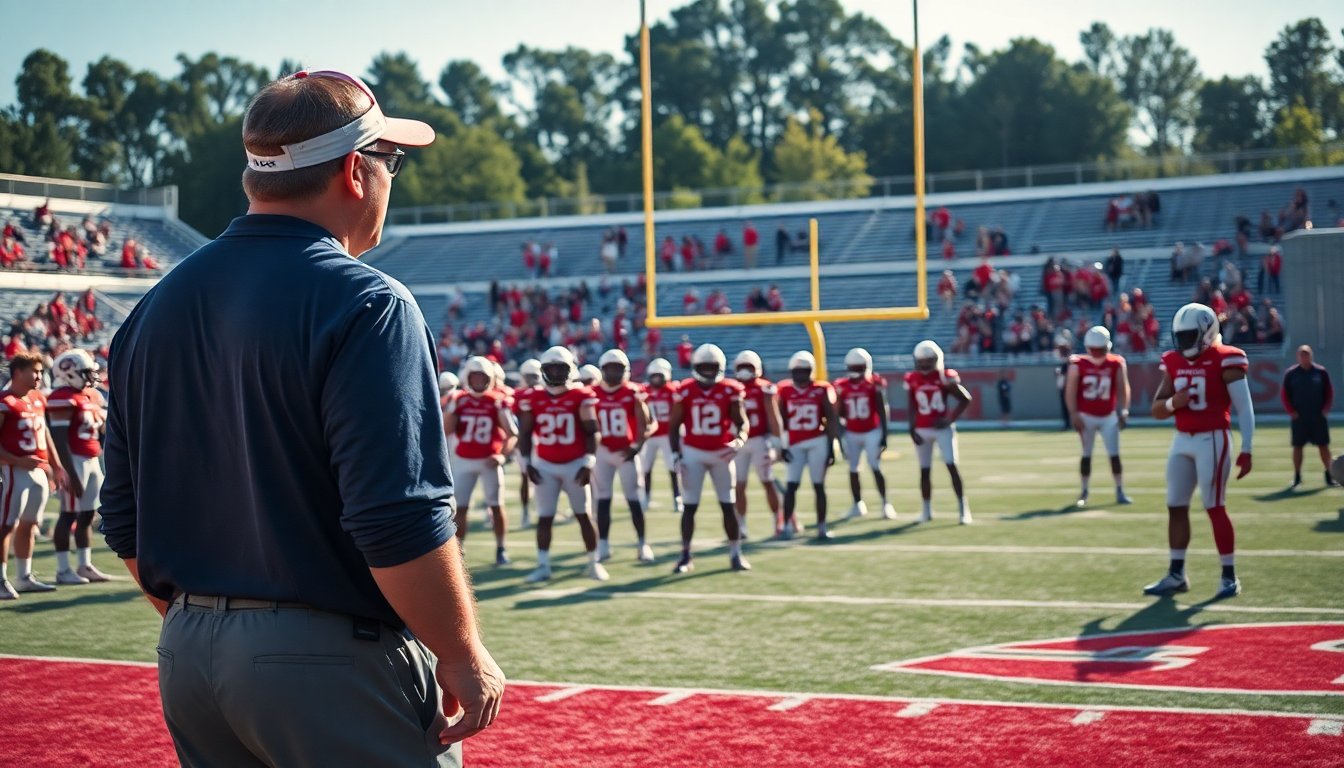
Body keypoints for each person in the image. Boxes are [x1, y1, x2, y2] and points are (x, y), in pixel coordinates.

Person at [98, 69, 502, 765]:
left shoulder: (152, 308)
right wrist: (462, 652)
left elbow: (124, 515)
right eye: (390, 161)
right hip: (328, 656)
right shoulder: (368, 302)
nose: (391, 178)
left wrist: (215, 621)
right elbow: (396, 517)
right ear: (354, 169)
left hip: (189, 652)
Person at [1146, 304, 1254, 601]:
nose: (1183, 343)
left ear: (1207, 332)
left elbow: (1244, 407)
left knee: (1214, 505)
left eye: (1189, 336)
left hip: (1213, 439)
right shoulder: (1173, 361)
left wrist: (1247, 447)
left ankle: (1229, 576)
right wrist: (1173, 404)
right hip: (1182, 440)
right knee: (1175, 505)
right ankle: (1176, 574)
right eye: (1180, 337)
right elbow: (1157, 409)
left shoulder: (1227, 358)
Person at [517, 346, 606, 583]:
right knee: (545, 517)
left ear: (570, 369)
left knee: (583, 516)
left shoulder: (581, 395)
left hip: (575, 464)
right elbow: (524, 434)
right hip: (545, 464)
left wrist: (588, 462)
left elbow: (592, 431)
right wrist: (527, 462)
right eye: (551, 368)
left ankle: (593, 562)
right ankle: (543, 565)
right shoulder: (532, 397)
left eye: (560, 368)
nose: (556, 372)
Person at [667, 344, 750, 573]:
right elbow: (673, 427)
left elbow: (742, 422)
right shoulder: (685, 390)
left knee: (728, 505)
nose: (709, 371)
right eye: (704, 366)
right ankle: (685, 555)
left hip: (722, 453)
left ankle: (735, 553)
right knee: (690, 507)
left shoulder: (731, 389)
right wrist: (676, 455)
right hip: (693, 452)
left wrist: (739, 440)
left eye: (712, 367)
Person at [0, 353, 71, 598]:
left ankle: (24, 576)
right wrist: (17, 460)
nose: (40, 376)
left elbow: (45, 435)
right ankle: (1, 579)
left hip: (38, 469)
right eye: (35, 371)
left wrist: (57, 464)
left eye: (41, 372)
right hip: (14, 469)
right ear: (18, 372)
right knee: (6, 525)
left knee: (29, 525)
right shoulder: (5, 400)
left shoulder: (38, 398)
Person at [443, 357, 517, 566]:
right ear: (467, 377)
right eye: (475, 376)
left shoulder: (496, 400)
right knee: (461, 508)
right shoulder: (459, 399)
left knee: (496, 505)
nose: (479, 381)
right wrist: (452, 410)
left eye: (483, 377)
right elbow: (446, 430)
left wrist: (502, 455)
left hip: (488, 461)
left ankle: (501, 548)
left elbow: (512, 434)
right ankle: (459, 550)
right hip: (464, 460)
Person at [46, 349, 112, 584]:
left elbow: (103, 430)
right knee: (69, 513)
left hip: (92, 457)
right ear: (69, 372)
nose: (91, 377)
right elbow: (58, 439)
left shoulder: (92, 396)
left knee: (87, 513)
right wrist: (70, 473)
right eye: (86, 372)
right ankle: (63, 570)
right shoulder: (61, 397)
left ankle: (84, 565)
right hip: (73, 458)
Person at [592, 349, 654, 562]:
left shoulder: (633, 392)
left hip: (626, 451)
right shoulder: (591, 393)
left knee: (633, 500)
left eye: (617, 368)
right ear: (602, 369)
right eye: (609, 368)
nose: (613, 373)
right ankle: (603, 544)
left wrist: (636, 446)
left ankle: (642, 543)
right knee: (603, 500)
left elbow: (646, 423)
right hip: (603, 452)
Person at [1064, 327, 1133, 507]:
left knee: (1114, 454)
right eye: (1095, 350)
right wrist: (1073, 413)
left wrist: (1124, 410)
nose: (1097, 354)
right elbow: (1070, 391)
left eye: (1100, 350)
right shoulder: (1077, 364)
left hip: (1108, 415)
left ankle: (1119, 490)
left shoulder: (1116, 363)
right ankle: (1084, 491)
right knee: (1086, 455)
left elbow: (1123, 387)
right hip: (1086, 416)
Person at [905, 341, 972, 525]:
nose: (925, 365)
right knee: (924, 471)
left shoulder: (944, 377)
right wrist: (911, 428)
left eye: (928, 361)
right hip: (922, 428)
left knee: (951, 466)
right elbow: (911, 404)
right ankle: (926, 510)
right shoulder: (912, 378)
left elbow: (965, 399)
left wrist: (949, 419)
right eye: (922, 361)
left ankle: (963, 509)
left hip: (941, 429)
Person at [777, 350, 840, 540]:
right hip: (794, 442)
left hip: (817, 441)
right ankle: (787, 525)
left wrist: (831, 446)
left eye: (804, 370)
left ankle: (821, 526)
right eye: (797, 371)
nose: (801, 375)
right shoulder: (785, 390)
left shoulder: (821, 389)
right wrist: (783, 445)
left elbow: (830, 418)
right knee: (791, 486)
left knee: (819, 486)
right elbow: (781, 421)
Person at [834, 348, 895, 521]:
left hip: (871, 430)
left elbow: (882, 409)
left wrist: (884, 434)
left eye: (859, 367)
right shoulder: (841, 386)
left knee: (875, 467)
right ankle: (857, 504)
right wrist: (840, 434)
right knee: (853, 469)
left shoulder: (873, 383)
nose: (857, 370)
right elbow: (839, 412)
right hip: (852, 432)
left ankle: (885, 504)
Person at [732, 350, 784, 538]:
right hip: (739, 442)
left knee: (767, 482)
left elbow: (773, 416)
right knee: (738, 485)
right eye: (742, 367)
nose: (745, 371)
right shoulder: (731, 388)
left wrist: (778, 442)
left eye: (749, 367)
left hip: (760, 440)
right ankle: (741, 525)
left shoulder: (764, 388)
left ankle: (777, 521)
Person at [1281, 345, 1336, 488]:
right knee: (1298, 447)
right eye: (1302, 355)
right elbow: (1285, 395)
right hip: (1299, 417)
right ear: (1298, 357)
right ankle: (1297, 476)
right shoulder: (1291, 374)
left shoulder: (1321, 372)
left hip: (1318, 416)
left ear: (1311, 355)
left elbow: (1329, 392)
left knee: (1323, 446)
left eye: (1307, 354)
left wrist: (1325, 409)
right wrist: (1291, 411)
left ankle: (1330, 475)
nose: (1305, 357)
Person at [639, 357, 683, 514]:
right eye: (655, 375)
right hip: (649, 436)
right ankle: (646, 497)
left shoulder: (672, 391)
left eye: (660, 375)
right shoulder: (644, 391)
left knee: (673, 468)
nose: (657, 378)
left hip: (666, 435)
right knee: (645, 468)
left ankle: (677, 498)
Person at [513, 358, 543, 526]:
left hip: (543, 440)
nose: (532, 380)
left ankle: (540, 509)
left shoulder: (544, 392)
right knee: (525, 476)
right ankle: (525, 511)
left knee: (543, 477)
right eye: (529, 376)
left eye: (534, 376)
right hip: (526, 440)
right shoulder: (518, 395)